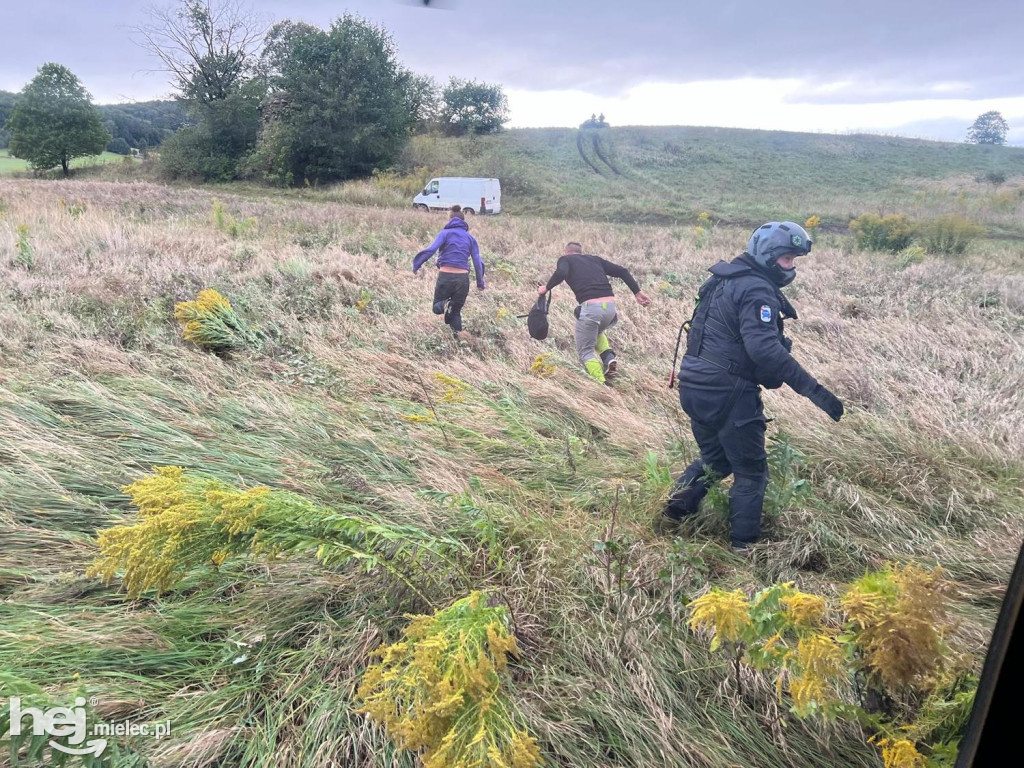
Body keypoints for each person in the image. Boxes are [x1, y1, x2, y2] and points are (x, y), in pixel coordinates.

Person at [658, 221, 844, 552]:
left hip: (694, 382)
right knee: (752, 473)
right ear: (769, 256)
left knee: (715, 460)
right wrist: (814, 390)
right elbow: (764, 350)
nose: (792, 266)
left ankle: (671, 515)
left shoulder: (723, 279)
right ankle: (744, 548)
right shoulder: (757, 289)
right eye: (788, 258)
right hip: (727, 390)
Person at [537, 242, 651, 384]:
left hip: (591, 308)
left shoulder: (565, 260)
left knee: (585, 351)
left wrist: (546, 288)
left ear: (565, 252)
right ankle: (609, 358)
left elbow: (561, 272)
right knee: (595, 331)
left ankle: (601, 384)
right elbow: (622, 271)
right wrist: (637, 292)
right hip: (610, 308)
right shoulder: (595, 259)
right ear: (580, 252)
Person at [412, 206, 485, 336]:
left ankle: (446, 304)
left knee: (437, 308)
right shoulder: (470, 238)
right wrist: (480, 283)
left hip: (445, 276)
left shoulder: (444, 233)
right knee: (455, 312)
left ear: (450, 220)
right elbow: (477, 261)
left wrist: (417, 264)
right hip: (462, 280)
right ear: (463, 222)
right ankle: (458, 339)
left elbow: (431, 250)